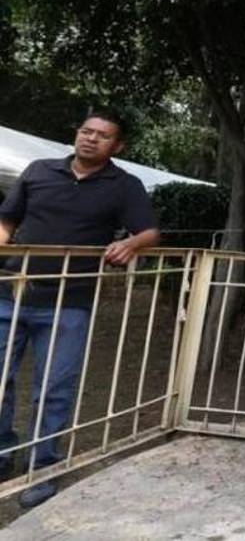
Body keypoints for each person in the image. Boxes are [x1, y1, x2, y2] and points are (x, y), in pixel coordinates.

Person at [0, 110, 160, 507]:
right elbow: (7, 219)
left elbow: (150, 231)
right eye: (86, 131)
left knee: (53, 390)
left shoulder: (124, 185)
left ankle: (43, 467)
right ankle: (3, 452)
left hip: (68, 304)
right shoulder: (39, 170)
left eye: (102, 135)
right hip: (10, 291)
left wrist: (132, 244)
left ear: (116, 146)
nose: (91, 139)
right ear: (76, 134)